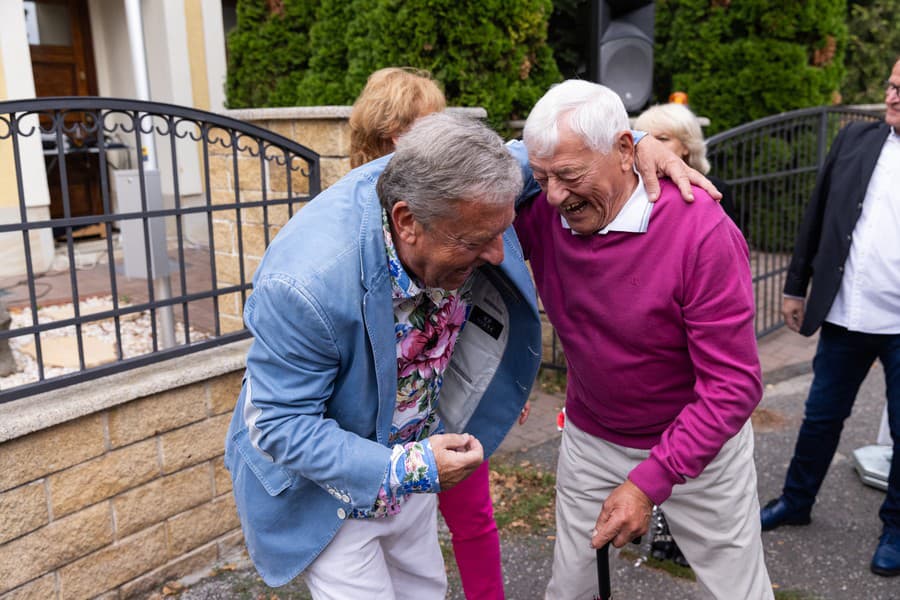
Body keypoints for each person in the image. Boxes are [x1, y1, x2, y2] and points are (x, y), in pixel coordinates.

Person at [224, 108, 709, 597]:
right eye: (477, 241)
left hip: (415, 460)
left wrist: (640, 142)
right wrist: (407, 468)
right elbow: (279, 425)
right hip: (334, 490)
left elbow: (553, 149)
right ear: (407, 223)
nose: (499, 255)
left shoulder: (470, 188)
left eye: (503, 231)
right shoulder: (304, 286)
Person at [514, 80, 773, 599]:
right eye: (542, 178)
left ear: (625, 152)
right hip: (593, 436)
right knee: (570, 588)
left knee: (736, 592)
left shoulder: (701, 232)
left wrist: (650, 481)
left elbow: (735, 385)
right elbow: (459, 182)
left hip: (699, 446)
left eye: (568, 175)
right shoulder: (544, 206)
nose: (555, 196)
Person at [349, 66, 528, 600]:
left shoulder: (464, 201)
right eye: (419, 131)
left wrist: (637, 139)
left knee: (473, 517)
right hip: (381, 426)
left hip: (450, 400)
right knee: (377, 540)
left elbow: (542, 154)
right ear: (388, 141)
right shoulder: (354, 224)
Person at [760, 56, 900, 578]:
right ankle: (795, 503)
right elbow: (816, 215)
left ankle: (896, 528)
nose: (891, 96)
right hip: (846, 315)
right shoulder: (855, 141)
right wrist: (796, 287)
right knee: (820, 418)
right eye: (890, 84)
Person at [634, 101, 740, 568]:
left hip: (696, 354)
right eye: (642, 137)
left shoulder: (713, 204)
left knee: (691, 440)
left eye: (662, 139)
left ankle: (683, 528)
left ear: (687, 148)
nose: (649, 147)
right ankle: (663, 530)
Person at [634, 102, 738, 223]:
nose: (654, 146)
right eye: (646, 140)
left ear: (686, 146)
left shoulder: (715, 189)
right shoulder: (627, 188)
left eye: (662, 138)